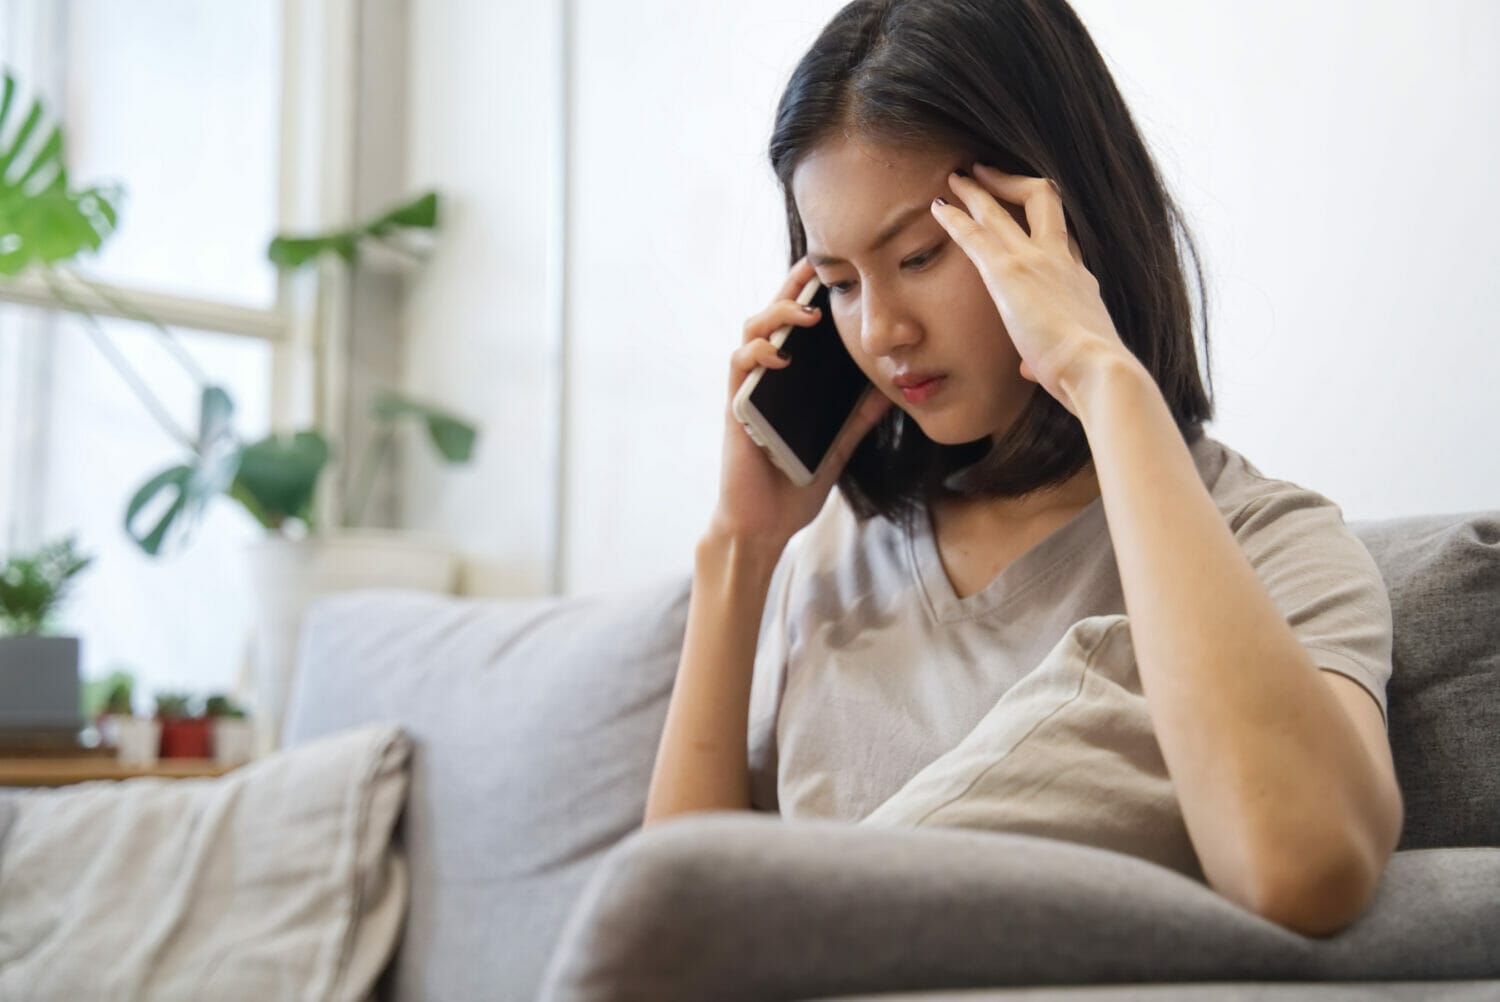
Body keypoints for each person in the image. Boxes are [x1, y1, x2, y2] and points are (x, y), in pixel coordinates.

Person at [642, 0, 1403, 938]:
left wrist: (1102, 373)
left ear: (1059, 227)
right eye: (838, 283)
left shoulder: (1272, 544)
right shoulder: (829, 564)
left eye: (921, 254)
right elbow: (673, 934)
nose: (881, 332)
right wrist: (740, 549)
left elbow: (1301, 872)